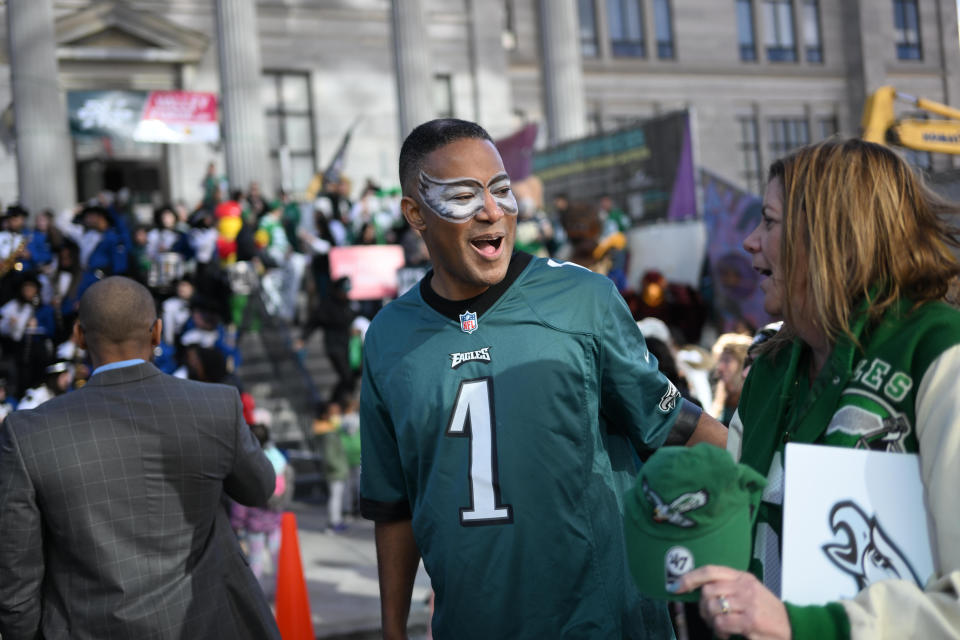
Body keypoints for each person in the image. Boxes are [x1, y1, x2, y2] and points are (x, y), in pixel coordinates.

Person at [360, 118, 727, 639]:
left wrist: (778, 498)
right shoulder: (388, 337)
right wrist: (393, 629)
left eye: (502, 190)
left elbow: (678, 426)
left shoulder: (583, 300)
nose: (492, 211)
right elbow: (392, 503)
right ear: (415, 213)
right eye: (463, 196)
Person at [674, 138, 960, 639]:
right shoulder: (770, 367)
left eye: (768, 220)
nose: (750, 242)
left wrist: (809, 626)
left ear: (828, 235)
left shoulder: (939, 351)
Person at [0, 276, 280, 639]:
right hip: (202, 623)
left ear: (80, 336)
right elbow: (260, 488)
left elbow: (15, 580)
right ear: (157, 332)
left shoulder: (28, 433)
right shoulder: (216, 406)